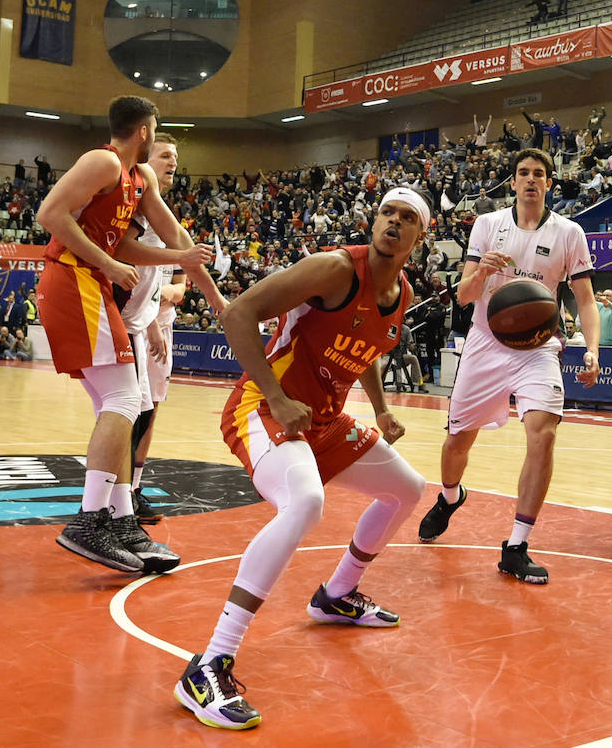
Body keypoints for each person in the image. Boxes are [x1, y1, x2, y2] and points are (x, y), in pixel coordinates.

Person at [174, 188, 428, 731]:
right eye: (387, 212)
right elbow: (238, 313)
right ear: (373, 220)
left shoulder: (400, 292)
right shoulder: (334, 269)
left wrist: (381, 409)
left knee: (407, 489)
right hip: (264, 406)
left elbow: (367, 348)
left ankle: (336, 594)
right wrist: (277, 395)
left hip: (324, 420)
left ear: (420, 236)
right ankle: (209, 664)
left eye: (407, 217)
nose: (393, 221)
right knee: (306, 502)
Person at [36, 96, 216, 574]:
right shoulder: (104, 162)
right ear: (144, 131)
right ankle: (91, 518)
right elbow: (49, 214)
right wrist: (109, 262)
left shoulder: (140, 178)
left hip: (89, 282)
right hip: (73, 278)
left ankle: (120, 518)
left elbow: (174, 240)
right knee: (123, 399)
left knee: (126, 402)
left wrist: (214, 294)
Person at [417, 149, 600, 584]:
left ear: (549, 183)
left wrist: (592, 349)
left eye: (539, 173)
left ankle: (516, 545)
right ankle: (450, 497)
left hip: (537, 347)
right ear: (513, 183)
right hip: (485, 342)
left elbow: (586, 300)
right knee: (457, 442)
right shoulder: (487, 225)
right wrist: (481, 273)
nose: (531, 179)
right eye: (523, 173)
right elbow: (463, 296)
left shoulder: (569, 233)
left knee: (543, 434)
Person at [114, 136, 225, 523]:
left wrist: (217, 300)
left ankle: (126, 494)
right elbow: (128, 257)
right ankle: (112, 500)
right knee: (125, 411)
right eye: (165, 154)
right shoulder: (130, 204)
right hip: (127, 320)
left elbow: (182, 271)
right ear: (145, 159)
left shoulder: (161, 213)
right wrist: (150, 323)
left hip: (148, 322)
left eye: (176, 156)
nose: (173, 161)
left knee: (144, 411)